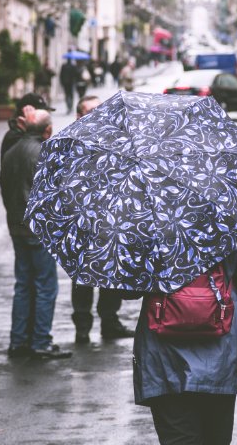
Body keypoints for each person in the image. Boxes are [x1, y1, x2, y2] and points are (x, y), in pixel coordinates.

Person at [132, 236, 237, 445]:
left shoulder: (147, 220)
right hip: (223, 348)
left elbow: (126, 287)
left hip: (164, 352)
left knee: (178, 437)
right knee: (216, 437)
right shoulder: (233, 216)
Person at [0, 107, 71, 360]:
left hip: (17, 227)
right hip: (38, 230)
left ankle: (18, 341)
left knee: (23, 285)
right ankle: (40, 341)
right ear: (47, 130)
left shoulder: (11, 152)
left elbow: (6, 191)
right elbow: (55, 195)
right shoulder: (43, 153)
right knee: (45, 287)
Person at [70, 95, 135, 344]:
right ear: (79, 115)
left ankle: (110, 322)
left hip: (112, 222)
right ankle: (83, 327)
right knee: (82, 279)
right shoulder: (72, 144)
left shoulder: (115, 141)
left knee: (112, 275)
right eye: (91, 111)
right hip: (83, 223)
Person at [0, 92, 56, 162]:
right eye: (41, 113)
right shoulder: (14, 136)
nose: (47, 117)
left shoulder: (33, 132)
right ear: (25, 113)